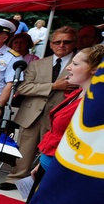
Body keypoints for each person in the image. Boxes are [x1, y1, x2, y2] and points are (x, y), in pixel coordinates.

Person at [0, 27, 78, 190]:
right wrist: (53, 86)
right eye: (57, 42)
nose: (61, 45)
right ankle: (15, 179)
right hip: (32, 113)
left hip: (59, 116)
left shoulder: (79, 64)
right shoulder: (37, 64)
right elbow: (23, 88)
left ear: (74, 43)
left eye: (67, 41)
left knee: (51, 152)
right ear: (51, 44)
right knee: (23, 149)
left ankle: (44, 184)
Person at [30, 44, 104, 186]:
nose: (68, 67)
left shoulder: (93, 103)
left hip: (62, 171)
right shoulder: (77, 93)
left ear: (95, 70)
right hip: (49, 164)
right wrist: (42, 163)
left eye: (75, 64)